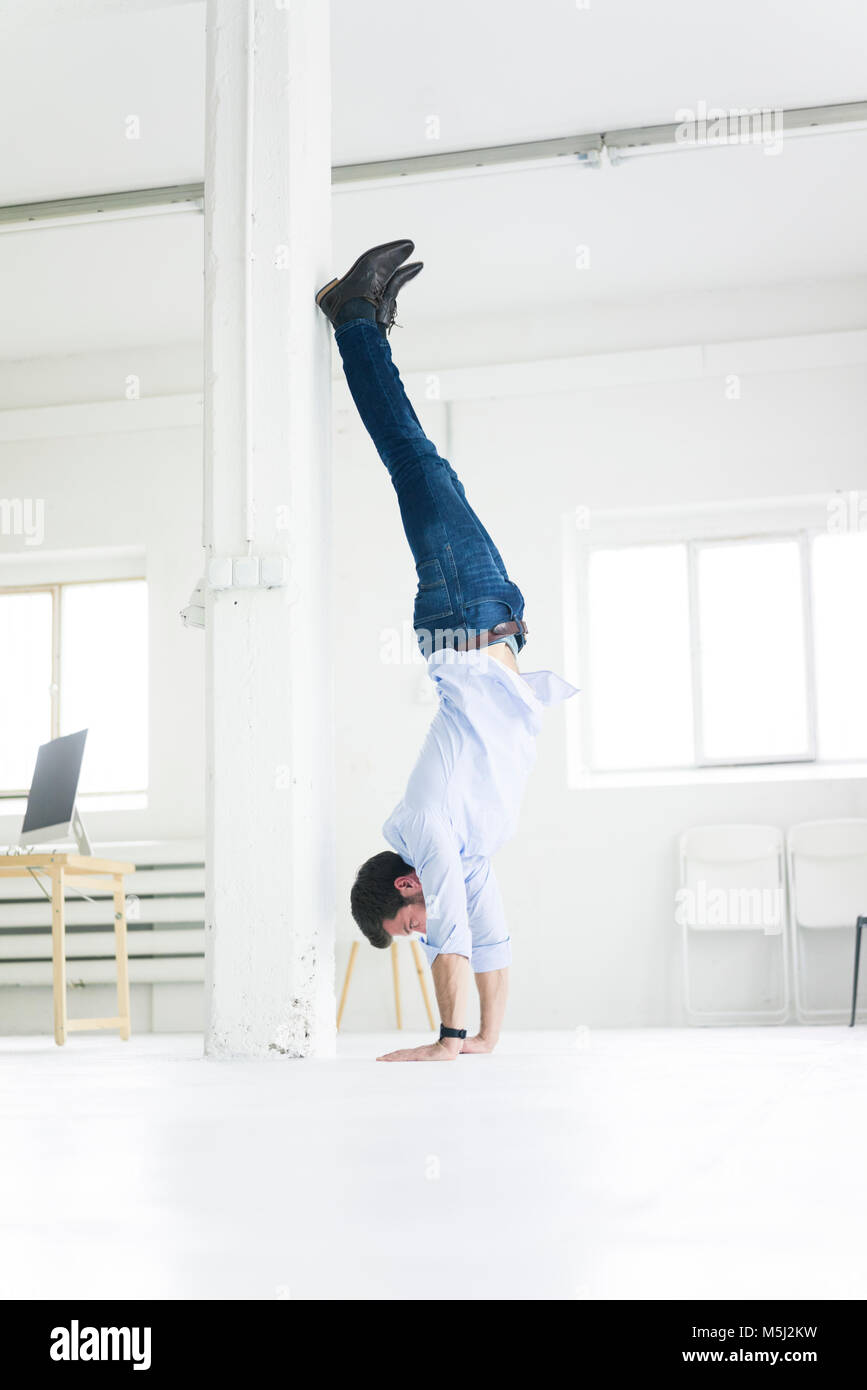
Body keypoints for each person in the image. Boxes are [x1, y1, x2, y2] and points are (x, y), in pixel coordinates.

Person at [317, 241, 577, 1062]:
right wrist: (483, 1042)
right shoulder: (462, 854)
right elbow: (489, 940)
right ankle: (366, 323)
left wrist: (444, 1037)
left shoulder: (427, 833)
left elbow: (453, 942)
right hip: (496, 615)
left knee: (412, 461)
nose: (423, 928)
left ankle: (355, 317)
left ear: (404, 887)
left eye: (408, 920)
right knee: (424, 466)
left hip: (462, 615)